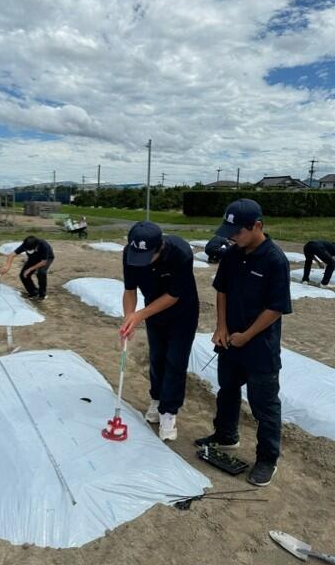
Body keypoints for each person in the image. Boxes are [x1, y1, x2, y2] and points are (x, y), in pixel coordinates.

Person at [195, 199, 292, 487]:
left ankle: (267, 458)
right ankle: (226, 435)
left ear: (257, 226)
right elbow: (222, 290)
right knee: (227, 390)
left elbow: (276, 307)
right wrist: (221, 326)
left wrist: (247, 335)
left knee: (264, 405)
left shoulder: (275, 259)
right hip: (230, 340)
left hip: (260, 347)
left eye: (237, 231)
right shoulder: (232, 255)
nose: (232, 237)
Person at [120, 221, 199, 441]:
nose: (141, 262)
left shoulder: (181, 253)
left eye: (147, 257)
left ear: (160, 248)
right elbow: (129, 290)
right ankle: (156, 399)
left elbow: (173, 296)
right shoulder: (129, 253)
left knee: (175, 362)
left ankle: (169, 411)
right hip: (154, 311)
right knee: (157, 357)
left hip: (183, 313)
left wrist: (139, 315)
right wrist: (128, 318)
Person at [0, 235, 54, 300]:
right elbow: (12, 255)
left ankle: (42, 295)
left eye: (30, 249)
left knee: (41, 273)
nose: (27, 250)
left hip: (46, 259)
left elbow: (43, 262)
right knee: (23, 275)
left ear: (36, 246)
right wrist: (7, 266)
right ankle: (34, 292)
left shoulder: (44, 245)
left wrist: (30, 269)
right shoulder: (26, 245)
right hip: (33, 258)